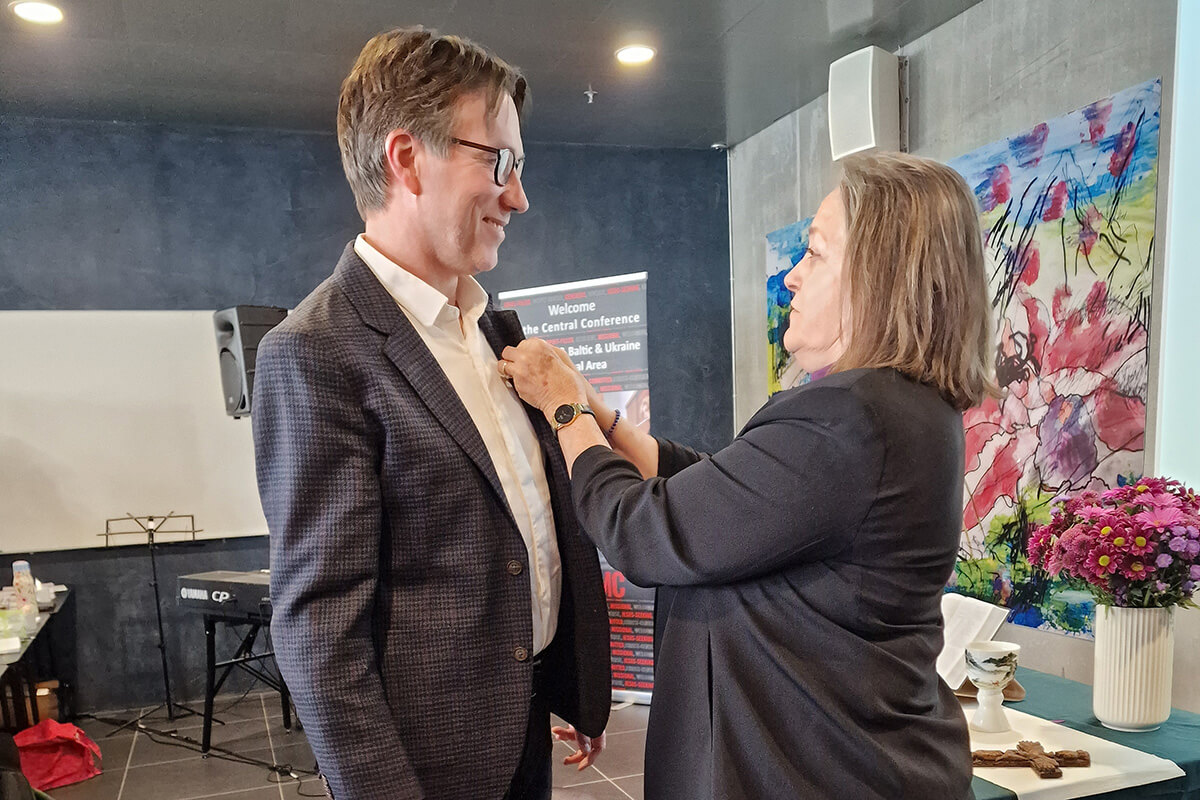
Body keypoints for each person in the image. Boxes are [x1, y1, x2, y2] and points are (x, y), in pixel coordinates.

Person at [500, 151, 992, 800]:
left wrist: (566, 411)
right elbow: (733, 498)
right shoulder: (906, 409)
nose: (792, 277)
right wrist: (601, 417)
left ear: (877, 277)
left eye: (815, 253)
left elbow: (644, 533)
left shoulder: (849, 417)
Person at [252, 27, 610, 800]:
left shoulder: (494, 331)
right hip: (427, 768)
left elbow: (530, 530)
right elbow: (320, 634)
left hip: (524, 730)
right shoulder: (317, 350)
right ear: (408, 158)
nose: (519, 197)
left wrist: (572, 685)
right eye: (500, 162)